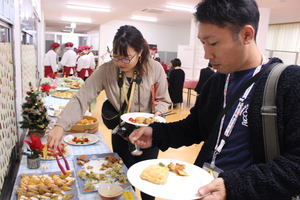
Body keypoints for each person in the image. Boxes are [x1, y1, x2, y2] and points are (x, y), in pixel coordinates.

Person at [129, 0, 300, 199]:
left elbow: (296, 164)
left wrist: (235, 186)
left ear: (246, 35)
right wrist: (157, 134)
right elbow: (194, 127)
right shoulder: (217, 82)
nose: (207, 54)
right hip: (205, 189)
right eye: (203, 43)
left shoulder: (289, 83)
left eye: (214, 43)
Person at [47, 25, 171, 200]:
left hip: (149, 134)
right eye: (116, 56)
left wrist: (158, 114)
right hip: (121, 133)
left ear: (140, 52)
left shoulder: (155, 68)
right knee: (124, 179)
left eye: (126, 58)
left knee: (147, 183)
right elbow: (81, 98)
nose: (120, 62)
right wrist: (60, 125)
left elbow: (164, 100)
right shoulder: (106, 71)